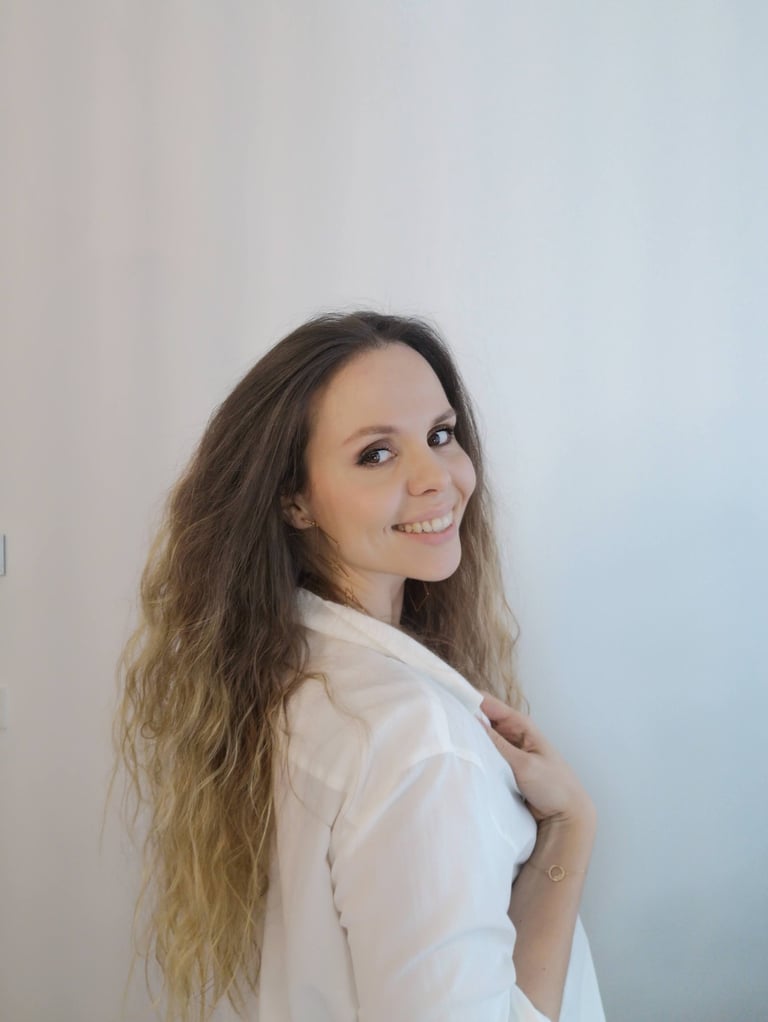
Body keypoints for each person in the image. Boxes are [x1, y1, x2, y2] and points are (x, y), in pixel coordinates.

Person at [116, 311, 604, 1022]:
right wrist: (569, 836)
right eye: (377, 454)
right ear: (295, 500)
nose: (438, 477)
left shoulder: (286, 674)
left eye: (440, 435)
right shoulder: (420, 744)